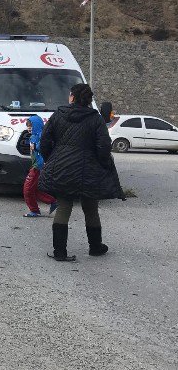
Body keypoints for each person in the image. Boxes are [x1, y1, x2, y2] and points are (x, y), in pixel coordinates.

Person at [39, 84, 124, 262]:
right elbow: (103, 146)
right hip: (89, 169)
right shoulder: (95, 119)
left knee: (64, 207)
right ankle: (95, 247)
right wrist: (101, 164)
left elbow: (45, 141)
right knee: (90, 208)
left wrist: (53, 159)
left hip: (61, 167)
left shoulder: (58, 114)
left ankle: (60, 252)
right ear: (89, 99)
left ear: (72, 97)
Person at [22, 115, 58, 217]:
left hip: (38, 166)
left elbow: (45, 147)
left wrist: (36, 147)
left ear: (37, 125)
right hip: (36, 165)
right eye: (28, 126)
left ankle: (34, 210)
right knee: (34, 189)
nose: (29, 128)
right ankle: (52, 202)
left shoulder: (43, 135)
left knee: (27, 189)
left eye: (31, 125)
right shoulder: (33, 136)